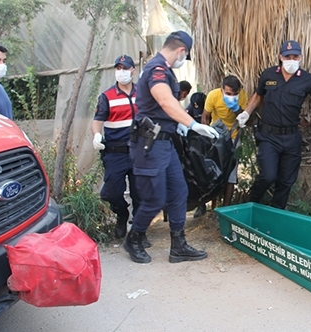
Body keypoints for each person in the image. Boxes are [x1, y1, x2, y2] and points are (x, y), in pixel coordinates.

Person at [124, 30, 219, 264]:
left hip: (165, 143)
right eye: (184, 57)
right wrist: (193, 124)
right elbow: (165, 101)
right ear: (181, 51)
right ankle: (133, 238)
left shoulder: (165, 70)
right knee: (154, 200)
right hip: (149, 145)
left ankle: (178, 245)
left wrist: (179, 126)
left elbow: (167, 106)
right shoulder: (156, 69)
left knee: (179, 192)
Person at [236, 40, 311, 209]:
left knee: (286, 181)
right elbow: (258, 95)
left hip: (291, 137)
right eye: (288, 56)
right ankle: (252, 203)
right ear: (281, 57)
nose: (291, 59)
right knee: (268, 175)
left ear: (300, 57)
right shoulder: (269, 75)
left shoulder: (307, 80)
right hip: (269, 137)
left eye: (295, 56)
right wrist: (246, 112)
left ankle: (276, 214)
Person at [91, 55, 147, 246]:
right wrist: (96, 135)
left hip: (139, 151)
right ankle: (122, 213)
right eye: (118, 68)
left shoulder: (142, 92)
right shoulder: (107, 96)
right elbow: (97, 120)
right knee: (111, 192)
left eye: (125, 68)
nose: (121, 71)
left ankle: (139, 231)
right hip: (115, 152)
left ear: (133, 70)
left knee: (140, 193)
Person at [201, 75, 248, 211]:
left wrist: (237, 109)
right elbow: (205, 116)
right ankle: (211, 205)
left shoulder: (243, 96)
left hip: (233, 138)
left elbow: (249, 120)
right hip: (216, 137)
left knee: (231, 174)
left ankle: (225, 208)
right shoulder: (213, 96)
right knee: (213, 171)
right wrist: (207, 136)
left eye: (235, 94)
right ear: (222, 90)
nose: (232, 96)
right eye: (228, 94)